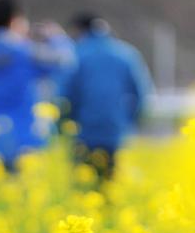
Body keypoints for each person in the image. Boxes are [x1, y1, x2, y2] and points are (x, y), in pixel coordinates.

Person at [0, 0, 73, 170]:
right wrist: (56, 37)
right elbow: (65, 61)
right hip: (21, 136)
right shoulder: (26, 53)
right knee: (19, 194)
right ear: (15, 20)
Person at [58, 14, 152, 181]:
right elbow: (142, 95)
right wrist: (127, 122)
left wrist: (64, 126)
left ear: (80, 31)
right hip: (114, 133)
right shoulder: (127, 54)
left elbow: (64, 96)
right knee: (109, 186)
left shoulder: (77, 55)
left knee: (83, 188)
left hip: (82, 133)